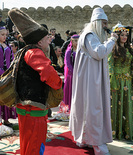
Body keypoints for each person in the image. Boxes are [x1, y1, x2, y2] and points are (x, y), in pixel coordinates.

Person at [8, 8, 63, 155]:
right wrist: (58, 82)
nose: (49, 40)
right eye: (47, 38)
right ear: (39, 41)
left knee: (27, 143)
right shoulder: (35, 52)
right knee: (35, 144)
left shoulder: (23, 51)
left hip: (25, 107)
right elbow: (49, 76)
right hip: (33, 109)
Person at [69, 7, 118, 155]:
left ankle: (85, 139)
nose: (106, 27)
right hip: (90, 81)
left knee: (89, 109)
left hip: (90, 79)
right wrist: (112, 40)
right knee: (94, 109)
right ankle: (97, 144)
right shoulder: (90, 36)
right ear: (97, 22)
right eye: (104, 23)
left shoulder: (91, 36)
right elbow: (100, 52)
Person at [109, 25, 133, 140]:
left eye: (126, 35)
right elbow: (110, 66)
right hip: (117, 81)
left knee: (127, 106)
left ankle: (126, 131)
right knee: (115, 106)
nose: (124, 37)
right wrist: (112, 82)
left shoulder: (130, 49)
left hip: (127, 82)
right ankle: (115, 131)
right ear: (117, 36)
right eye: (122, 35)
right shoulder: (113, 48)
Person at [0, 26, 16, 127]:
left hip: (7, 73)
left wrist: (12, 70)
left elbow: (12, 59)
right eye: (2, 35)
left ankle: (6, 119)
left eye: (6, 35)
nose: (5, 37)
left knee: (7, 95)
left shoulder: (8, 46)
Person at [63, 34, 79, 110]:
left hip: (79, 74)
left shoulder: (81, 51)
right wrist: (74, 72)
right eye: (75, 41)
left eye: (78, 41)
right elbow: (68, 64)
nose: (77, 42)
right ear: (72, 41)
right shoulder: (69, 51)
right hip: (71, 74)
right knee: (71, 91)